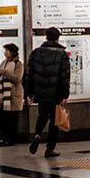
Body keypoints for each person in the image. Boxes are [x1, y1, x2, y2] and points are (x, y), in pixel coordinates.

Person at [24, 27, 71, 158]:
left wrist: (29, 93)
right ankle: (50, 148)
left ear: (46, 37)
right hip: (55, 94)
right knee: (55, 121)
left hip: (40, 92)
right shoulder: (62, 54)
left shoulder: (36, 53)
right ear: (57, 37)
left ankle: (38, 134)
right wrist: (65, 95)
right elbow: (65, 77)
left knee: (42, 115)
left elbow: (29, 74)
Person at [0, 44, 25, 146]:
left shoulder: (18, 64)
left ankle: (11, 139)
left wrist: (4, 72)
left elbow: (17, 78)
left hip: (13, 96)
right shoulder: (4, 62)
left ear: (12, 52)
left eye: (7, 50)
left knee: (12, 119)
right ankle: (3, 138)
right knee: (2, 118)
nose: (5, 52)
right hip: (3, 96)